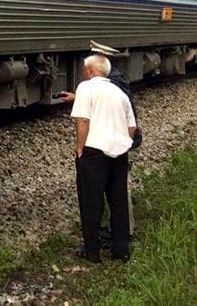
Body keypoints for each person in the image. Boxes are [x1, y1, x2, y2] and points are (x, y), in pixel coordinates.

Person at [66, 54, 137, 263]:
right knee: (119, 202)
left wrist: (80, 149)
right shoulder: (119, 93)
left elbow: (83, 121)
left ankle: (92, 252)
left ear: (90, 72)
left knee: (91, 202)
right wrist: (123, 143)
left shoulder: (85, 88)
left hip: (94, 152)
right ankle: (121, 251)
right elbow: (132, 127)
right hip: (119, 154)